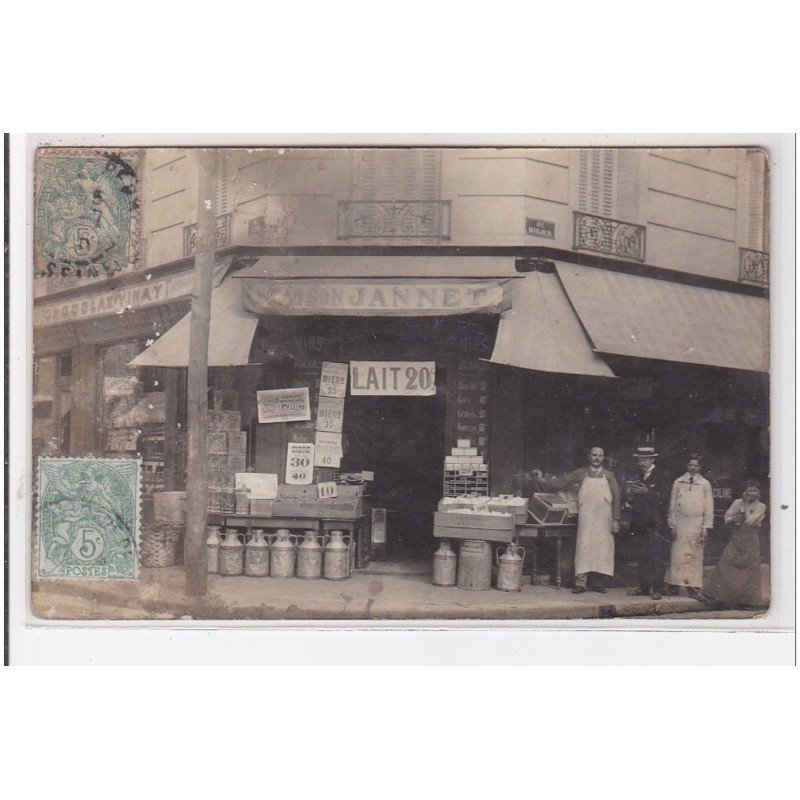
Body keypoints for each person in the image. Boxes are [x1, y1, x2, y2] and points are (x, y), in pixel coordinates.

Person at [533, 447, 621, 594]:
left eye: (600, 456)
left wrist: (616, 519)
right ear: (589, 457)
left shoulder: (609, 476)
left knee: (602, 549)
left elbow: (617, 498)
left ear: (603, 458)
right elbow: (561, 482)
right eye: (594, 455)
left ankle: (599, 583)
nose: (597, 458)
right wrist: (542, 480)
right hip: (586, 517)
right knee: (584, 547)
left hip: (604, 518)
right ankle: (581, 583)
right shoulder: (580, 473)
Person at [704, 480, 766, 608]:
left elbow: (750, 521)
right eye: (749, 490)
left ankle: (746, 601)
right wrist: (733, 518)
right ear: (745, 491)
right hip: (736, 538)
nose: (751, 493)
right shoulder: (737, 502)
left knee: (748, 572)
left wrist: (746, 506)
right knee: (725, 566)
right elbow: (726, 518)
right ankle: (720, 597)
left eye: (754, 490)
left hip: (750, 540)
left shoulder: (761, 506)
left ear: (759, 493)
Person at [665, 453, 714, 598]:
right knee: (677, 554)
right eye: (690, 465)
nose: (693, 468)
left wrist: (706, 527)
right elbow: (672, 504)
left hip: (696, 523)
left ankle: (693, 586)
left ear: (700, 467)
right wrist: (672, 524)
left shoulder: (705, 484)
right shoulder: (678, 482)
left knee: (694, 554)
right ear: (686, 465)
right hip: (681, 522)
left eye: (696, 465)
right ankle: (674, 585)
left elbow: (709, 506)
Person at [626, 446, 667, 600]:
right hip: (639, 522)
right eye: (639, 459)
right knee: (642, 555)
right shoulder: (637, 475)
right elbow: (633, 499)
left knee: (655, 555)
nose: (641, 462)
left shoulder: (662, 476)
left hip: (655, 523)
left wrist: (647, 492)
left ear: (652, 460)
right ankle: (643, 587)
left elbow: (666, 498)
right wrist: (629, 496)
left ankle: (657, 589)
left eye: (644, 459)